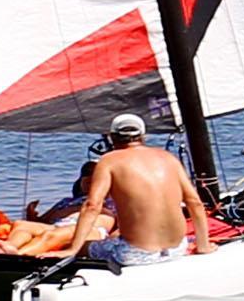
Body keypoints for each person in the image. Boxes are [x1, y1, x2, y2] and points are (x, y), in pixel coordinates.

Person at [44, 111, 210, 268]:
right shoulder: (168, 158)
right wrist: (203, 246)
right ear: (143, 136)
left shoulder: (109, 160)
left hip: (135, 254)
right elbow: (194, 203)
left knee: (76, 245)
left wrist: (72, 249)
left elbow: (92, 206)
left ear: (112, 137)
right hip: (177, 249)